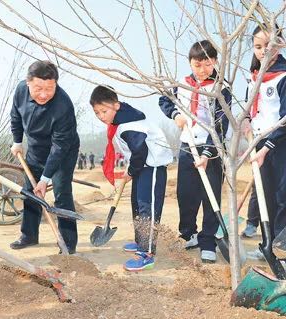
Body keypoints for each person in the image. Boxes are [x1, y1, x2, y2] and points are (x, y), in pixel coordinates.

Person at [159, 40, 231, 263]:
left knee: (210, 196)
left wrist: (208, 153)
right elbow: (164, 99)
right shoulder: (181, 83)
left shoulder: (222, 88)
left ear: (215, 62)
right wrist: (175, 115)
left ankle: (208, 240)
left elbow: (221, 124)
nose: (202, 70)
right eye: (197, 65)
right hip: (187, 146)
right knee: (186, 193)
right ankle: (188, 233)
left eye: (207, 65)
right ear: (190, 63)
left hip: (213, 148)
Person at [90, 85, 173, 271]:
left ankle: (147, 252)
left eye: (104, 111)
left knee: (147, 207)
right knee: (136, 204)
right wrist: (132, 170)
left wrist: (130, 171)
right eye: (97, 113)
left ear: (116, 106)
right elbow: (134, 152)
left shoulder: (129, 125)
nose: (101, 116)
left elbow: (140, 151)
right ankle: (140, 241)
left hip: (152, 167)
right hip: (142, 167)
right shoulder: (121, 122)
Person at [10, 60, 80, 254]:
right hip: (35, 147)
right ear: (28, 82)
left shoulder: (63, 105)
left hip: (62, 152)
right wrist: (17, 141)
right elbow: (15, 116)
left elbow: (59, 147)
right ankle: (29, 235)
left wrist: (45, 178)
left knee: (61, 192)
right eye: (38, 88)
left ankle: (67, 242)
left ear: (56, 84)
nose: (43, 94)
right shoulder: (21, 90)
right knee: (30, 191)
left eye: (49, 88)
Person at [243, 24, 286, 245]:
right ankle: (268, 244)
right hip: (259, 142)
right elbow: (249, 107)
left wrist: (268, 147)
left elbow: (285, 118)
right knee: (264, 196)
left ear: (280, 44)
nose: (263, 51)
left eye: (268, 45)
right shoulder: (254, 77)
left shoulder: (283, 76)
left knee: (282, 196)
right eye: (258, 46)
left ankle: (282, 245)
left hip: (280, 143)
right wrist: (246, 121)